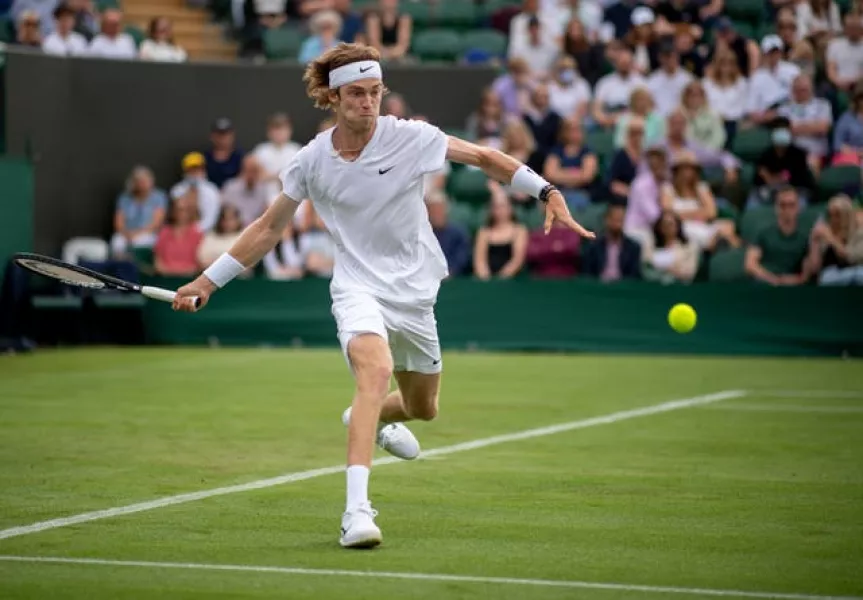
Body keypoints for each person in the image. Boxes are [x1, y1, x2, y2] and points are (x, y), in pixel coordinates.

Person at [171, 42, 593, 549]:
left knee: (424, 408)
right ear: (331, 97)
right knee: (373, 372)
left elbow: (483, 157)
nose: (368, 103)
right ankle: (356, 512)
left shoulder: (410, 138)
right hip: (357, 287)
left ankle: (362, 419)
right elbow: (267, 228)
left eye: (375, 92)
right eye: (356, 94)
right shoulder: (311, 161)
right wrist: (207, 280)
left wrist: (546, 191)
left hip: (415, 292)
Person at [744, 184, 816, 285]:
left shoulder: (805, 236)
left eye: (791, 205)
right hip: (767, 284)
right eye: (782, 205)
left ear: (798, 207)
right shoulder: (764, 233)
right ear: (776, 208)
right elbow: (750, 265)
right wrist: (774, 280)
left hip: (795, 286)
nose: (787, 210)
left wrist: (798, 280)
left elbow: (811, 269)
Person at [473, 187, 529, 279]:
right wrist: (487, 280)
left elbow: (517, 260)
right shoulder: (484, 232)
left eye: (502, 206)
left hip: (513, 281)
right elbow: (480, 261)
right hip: (487, 282)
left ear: (510, 208)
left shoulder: (519, 230)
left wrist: (501, 279)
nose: (499, 210)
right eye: (495, 207)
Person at [582, 204, 642, 281]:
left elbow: (634, 275)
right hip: (598, 287)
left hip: (623, 288)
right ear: (606, 220)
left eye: (620, 220)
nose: (617, 224)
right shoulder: (593, 246)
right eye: (614, 220)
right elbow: (587, 273)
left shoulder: (633, 247)